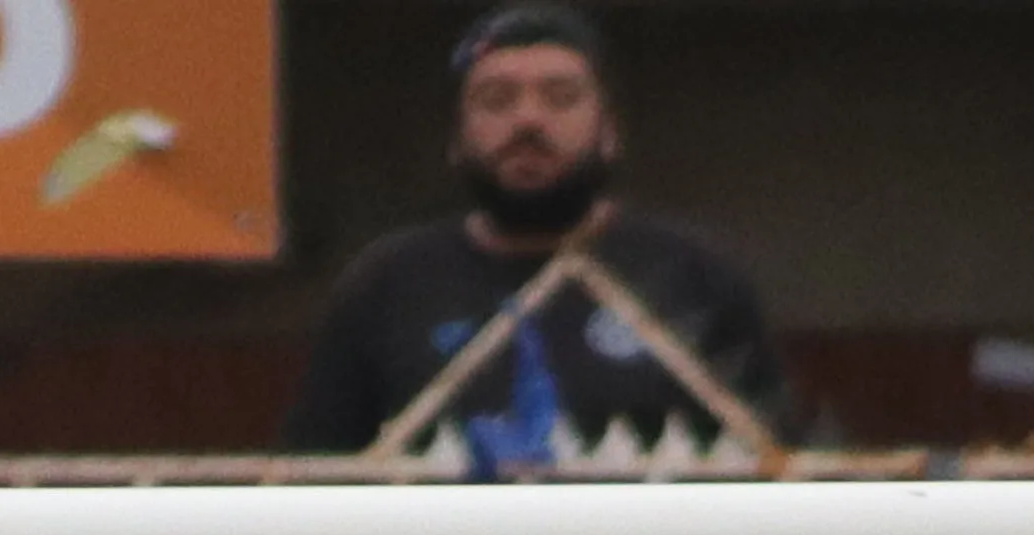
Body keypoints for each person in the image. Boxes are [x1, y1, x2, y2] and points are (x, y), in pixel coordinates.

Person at [282, 6, 800, 463]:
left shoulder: (696, 277)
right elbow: (312, 483)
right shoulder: (386, 286)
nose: (528, 120)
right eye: (496, 99)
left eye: (561, 97)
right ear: (457, 139)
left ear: (610, 132)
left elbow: (776, 469)